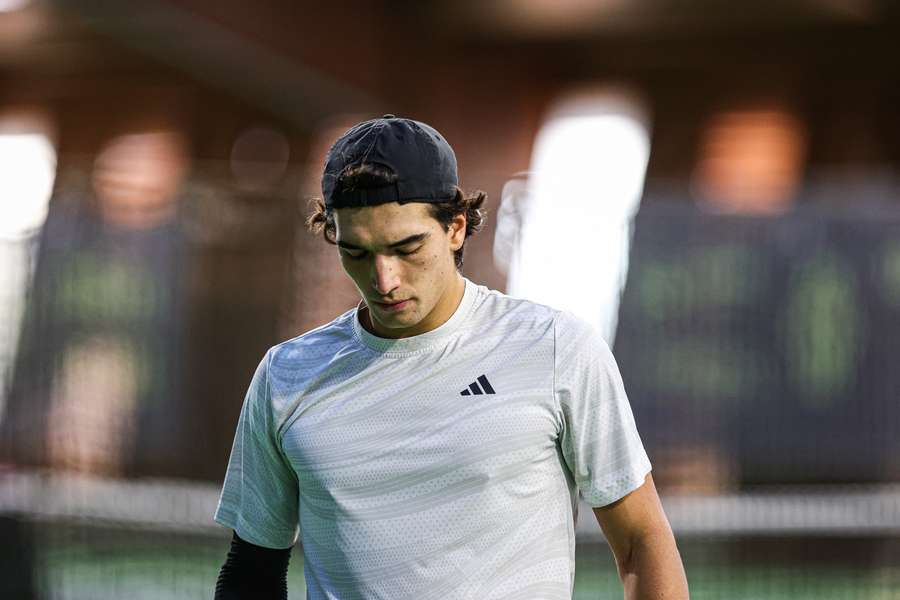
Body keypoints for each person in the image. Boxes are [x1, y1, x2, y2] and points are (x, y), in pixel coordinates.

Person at [213, 115, 689, 599]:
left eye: (407, 247)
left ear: (456, 227)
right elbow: (252, 569)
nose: (384, 280)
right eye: (357, 253)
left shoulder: (555, 348)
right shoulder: (286, 375)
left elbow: (640, 540)